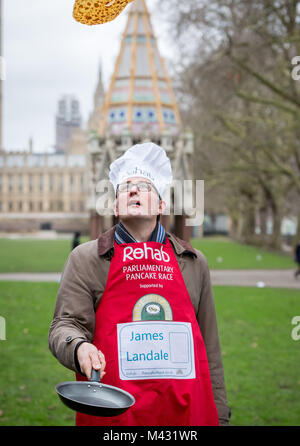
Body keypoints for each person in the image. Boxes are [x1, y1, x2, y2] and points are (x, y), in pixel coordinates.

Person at [48, 142, 230, 426]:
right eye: (124, 187)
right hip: (115, 415)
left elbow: (210, 350)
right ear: (115, 205)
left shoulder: (193, 263)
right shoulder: (86, 259)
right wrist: (79, 348)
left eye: (144, 186)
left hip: (184, 415)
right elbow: (64, 325)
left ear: (160, 205)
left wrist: (220, 415)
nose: (133, 190)